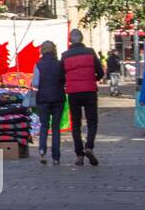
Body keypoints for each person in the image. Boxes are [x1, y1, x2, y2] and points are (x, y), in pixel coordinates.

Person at [61, 29, 105, 167]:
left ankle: (79, 155)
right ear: (82, 38)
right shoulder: (91, 52)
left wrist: (67, 83)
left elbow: (61, 75)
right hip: (90, 90)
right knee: (92, 121)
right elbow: (101, 72)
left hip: (73, 92)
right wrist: (94, 79)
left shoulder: (65, 55)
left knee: (76, 123)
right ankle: (89, 146)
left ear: (70, 40)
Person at [30, 40, 65, 165]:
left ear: (42, 50)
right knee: (56, 128)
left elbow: (35, 83)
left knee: (44, 125)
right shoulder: (60, 64)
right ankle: (56, 157)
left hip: (43, 99)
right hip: (58, 98)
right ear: (54, 50)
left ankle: (42, 151)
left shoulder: (38, 64)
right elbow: (63, 80)